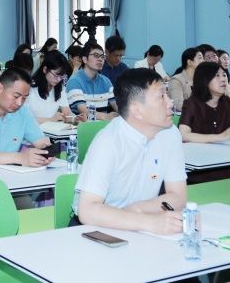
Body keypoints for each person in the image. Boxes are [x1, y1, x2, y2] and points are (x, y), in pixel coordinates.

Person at [73, 68, 187, 233]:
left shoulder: (170, 134)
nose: (170, 103)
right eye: (161, 97)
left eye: (167, 95)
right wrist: (149, 222)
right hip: (99, 228)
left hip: (138, 223)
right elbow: (88, 210)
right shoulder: (108, 141)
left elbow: (178, 197)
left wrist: (136, 211)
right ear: (137, 111)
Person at [178, 62, 230, 143]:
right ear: (204, 80)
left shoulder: (226, 101)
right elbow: (183, 135)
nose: (223, 79)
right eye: (217, 76)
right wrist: (220, 137)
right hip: (197, 150)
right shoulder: (191, 104)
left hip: (221, 149)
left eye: (224, 75)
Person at [26, 51, 81, 123]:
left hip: (52, 128)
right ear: (45, 69)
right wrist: (51, 119)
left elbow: (66, 113)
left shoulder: (60, 88)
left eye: (62, 76)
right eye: (56, 75)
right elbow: (24, 119)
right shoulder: (29, 88)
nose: (58, 79)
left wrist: (75, 118)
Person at [67, 43, 117, 119]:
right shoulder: (74, 81)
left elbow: (116, 105)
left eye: (102, 56)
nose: (100, 59)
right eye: (96, 55)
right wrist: (106, 116)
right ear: (85, 59)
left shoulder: (106, 81)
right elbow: (83, 111)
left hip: (103, 125)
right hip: (81, 125)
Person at [169, 48, 204, 112]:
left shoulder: (201, 79)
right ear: (190, 62)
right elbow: (178, 105)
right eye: (200, 58)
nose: (203, 61)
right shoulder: (176, 80)